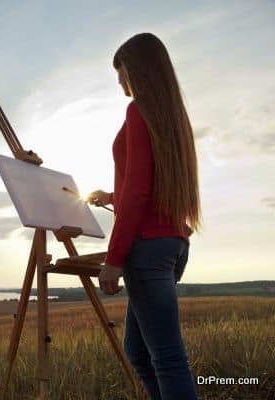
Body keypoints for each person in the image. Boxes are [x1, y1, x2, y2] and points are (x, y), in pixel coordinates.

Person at [86, 32, 201, 400]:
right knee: (139, 352)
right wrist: (111, 196)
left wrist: (113, 259)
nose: (120, 82)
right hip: (171, 243)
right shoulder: (171, 116)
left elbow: (138, 191)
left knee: (167, 358)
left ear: (137, 70)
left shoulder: (138, 110)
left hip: (147, 249)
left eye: (122, 73)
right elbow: (146, 187)